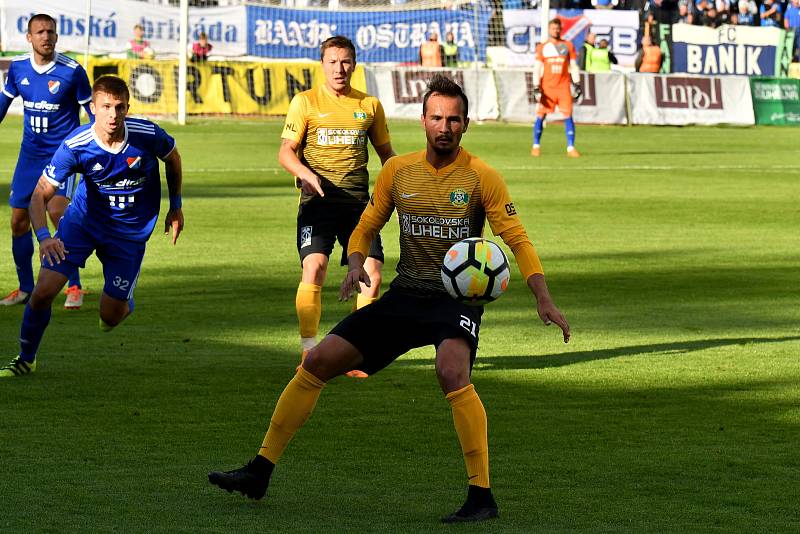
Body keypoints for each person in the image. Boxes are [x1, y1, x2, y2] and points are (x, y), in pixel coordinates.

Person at [208, 74, 571, 523]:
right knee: (317, 362)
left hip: (454, 302)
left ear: (466, 125)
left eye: (453, 119)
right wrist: (356, 259)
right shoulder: (399, 172)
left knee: (451, 371)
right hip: (404, 296)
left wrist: (543, 296)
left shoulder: (482, 178)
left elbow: (517, 239)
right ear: (423, 120)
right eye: (436, 117)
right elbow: (367, 223)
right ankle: (259, 471)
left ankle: (482, 496)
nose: (444, 126)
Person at [0, 75, 184, 378]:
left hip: (129, 233)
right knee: (43, 291)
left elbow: (173, 158)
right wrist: (45, 237)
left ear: (128, 107)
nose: (113, 115)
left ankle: (123, 299)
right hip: (83, 224)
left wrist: (175, 207)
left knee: (109, 317)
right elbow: (38, 194)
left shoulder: (147, 134)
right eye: (106, 107)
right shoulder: (77, 145)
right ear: (94, 108)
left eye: (120, 107)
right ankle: (25, 358)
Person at [278, 35, 395, 377]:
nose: (339, 68)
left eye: (345, 61)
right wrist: (303, 172)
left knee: (372, 274)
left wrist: (405, 178)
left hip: (359, 204)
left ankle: (358, 353)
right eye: (332, 61)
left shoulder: (369, 105)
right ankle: (309, 349)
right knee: (314, 267)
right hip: (318, 202)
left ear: (354, 64)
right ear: (323, 64)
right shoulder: (305, 102)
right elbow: (286, 150)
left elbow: (386, 154)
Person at [0, 13, 92, 309]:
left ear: (56, 36)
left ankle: (74, 286)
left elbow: (92, 117)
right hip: (30, 157)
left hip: (62, 157)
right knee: (18, 221)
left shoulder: (72, 71)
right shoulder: (17, 69)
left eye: (50, 32)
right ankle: (25, 287)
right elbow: (2, 105)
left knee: (56, 211)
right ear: (29, 37)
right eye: (40, 32)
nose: (46, 37)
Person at [531, 19, 582, 158]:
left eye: (558, 28)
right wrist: (536, 86)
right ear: (549, 29)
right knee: (541, 115)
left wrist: (577, 83)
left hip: (563, 87)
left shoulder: (568, 45)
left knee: (568, 115)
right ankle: (536, 146)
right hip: (546, 87)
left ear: (561, 29)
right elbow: (537, 68)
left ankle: (571, 147)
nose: (556, 31)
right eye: (553, 28)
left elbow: (573, 65)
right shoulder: (542, 47)